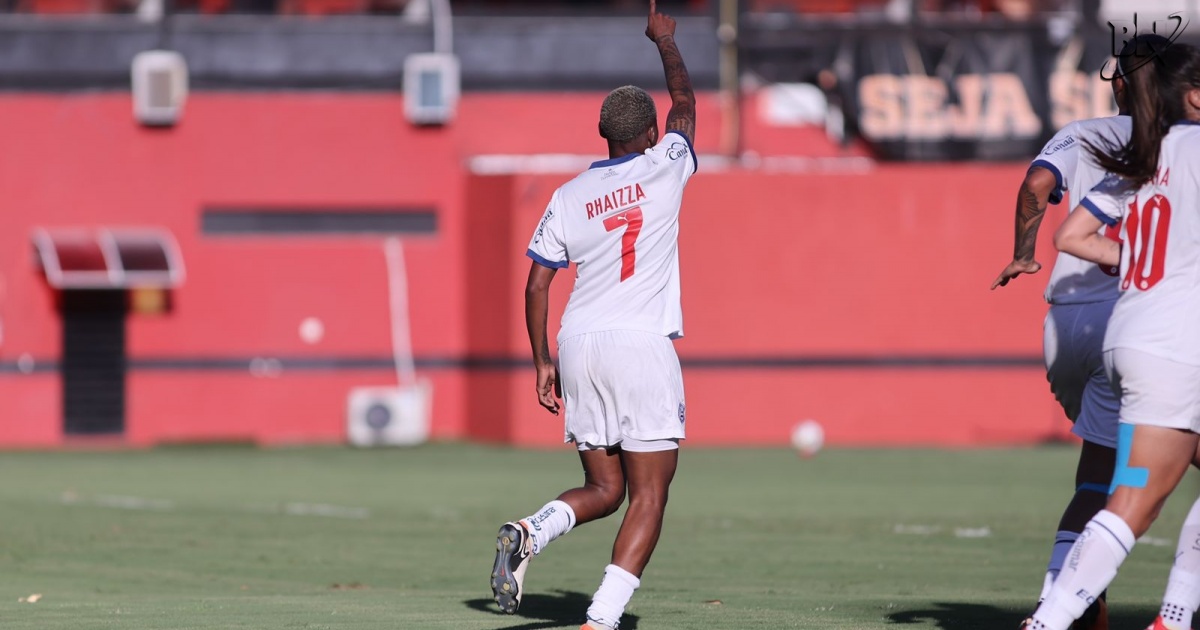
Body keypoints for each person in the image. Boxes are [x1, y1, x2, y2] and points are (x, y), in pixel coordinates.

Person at [488, 2, 697, 629]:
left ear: (604, 136)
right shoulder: (665, 166)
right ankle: (601, 619)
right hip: (640, 344)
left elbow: (535, 284)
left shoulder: (568, 193)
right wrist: (664, 43)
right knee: (651, 496)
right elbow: (687, 105)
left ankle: (531, 530)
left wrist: (542, 360)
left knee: (607, 491)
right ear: (651, 136)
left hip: (578, 342)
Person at [1022, 41, 1200, 630]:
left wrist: (1137, 256)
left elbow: (1067, 231)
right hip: (1176, 340)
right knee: (1127, 499)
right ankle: (1172, 616)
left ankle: (1054, 616)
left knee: (1116, 488)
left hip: (1124, 334)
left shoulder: (1140, 152)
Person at [991, 33, 1167, 630]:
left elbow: (1037, 186)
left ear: (1117, 83)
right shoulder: (1177, 145)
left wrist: (1022, 253)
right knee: (1138, 471)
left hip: (1066, 323)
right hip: (1138, 318)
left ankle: (1063, 604)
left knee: (1098, 473)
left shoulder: (1081, 133)